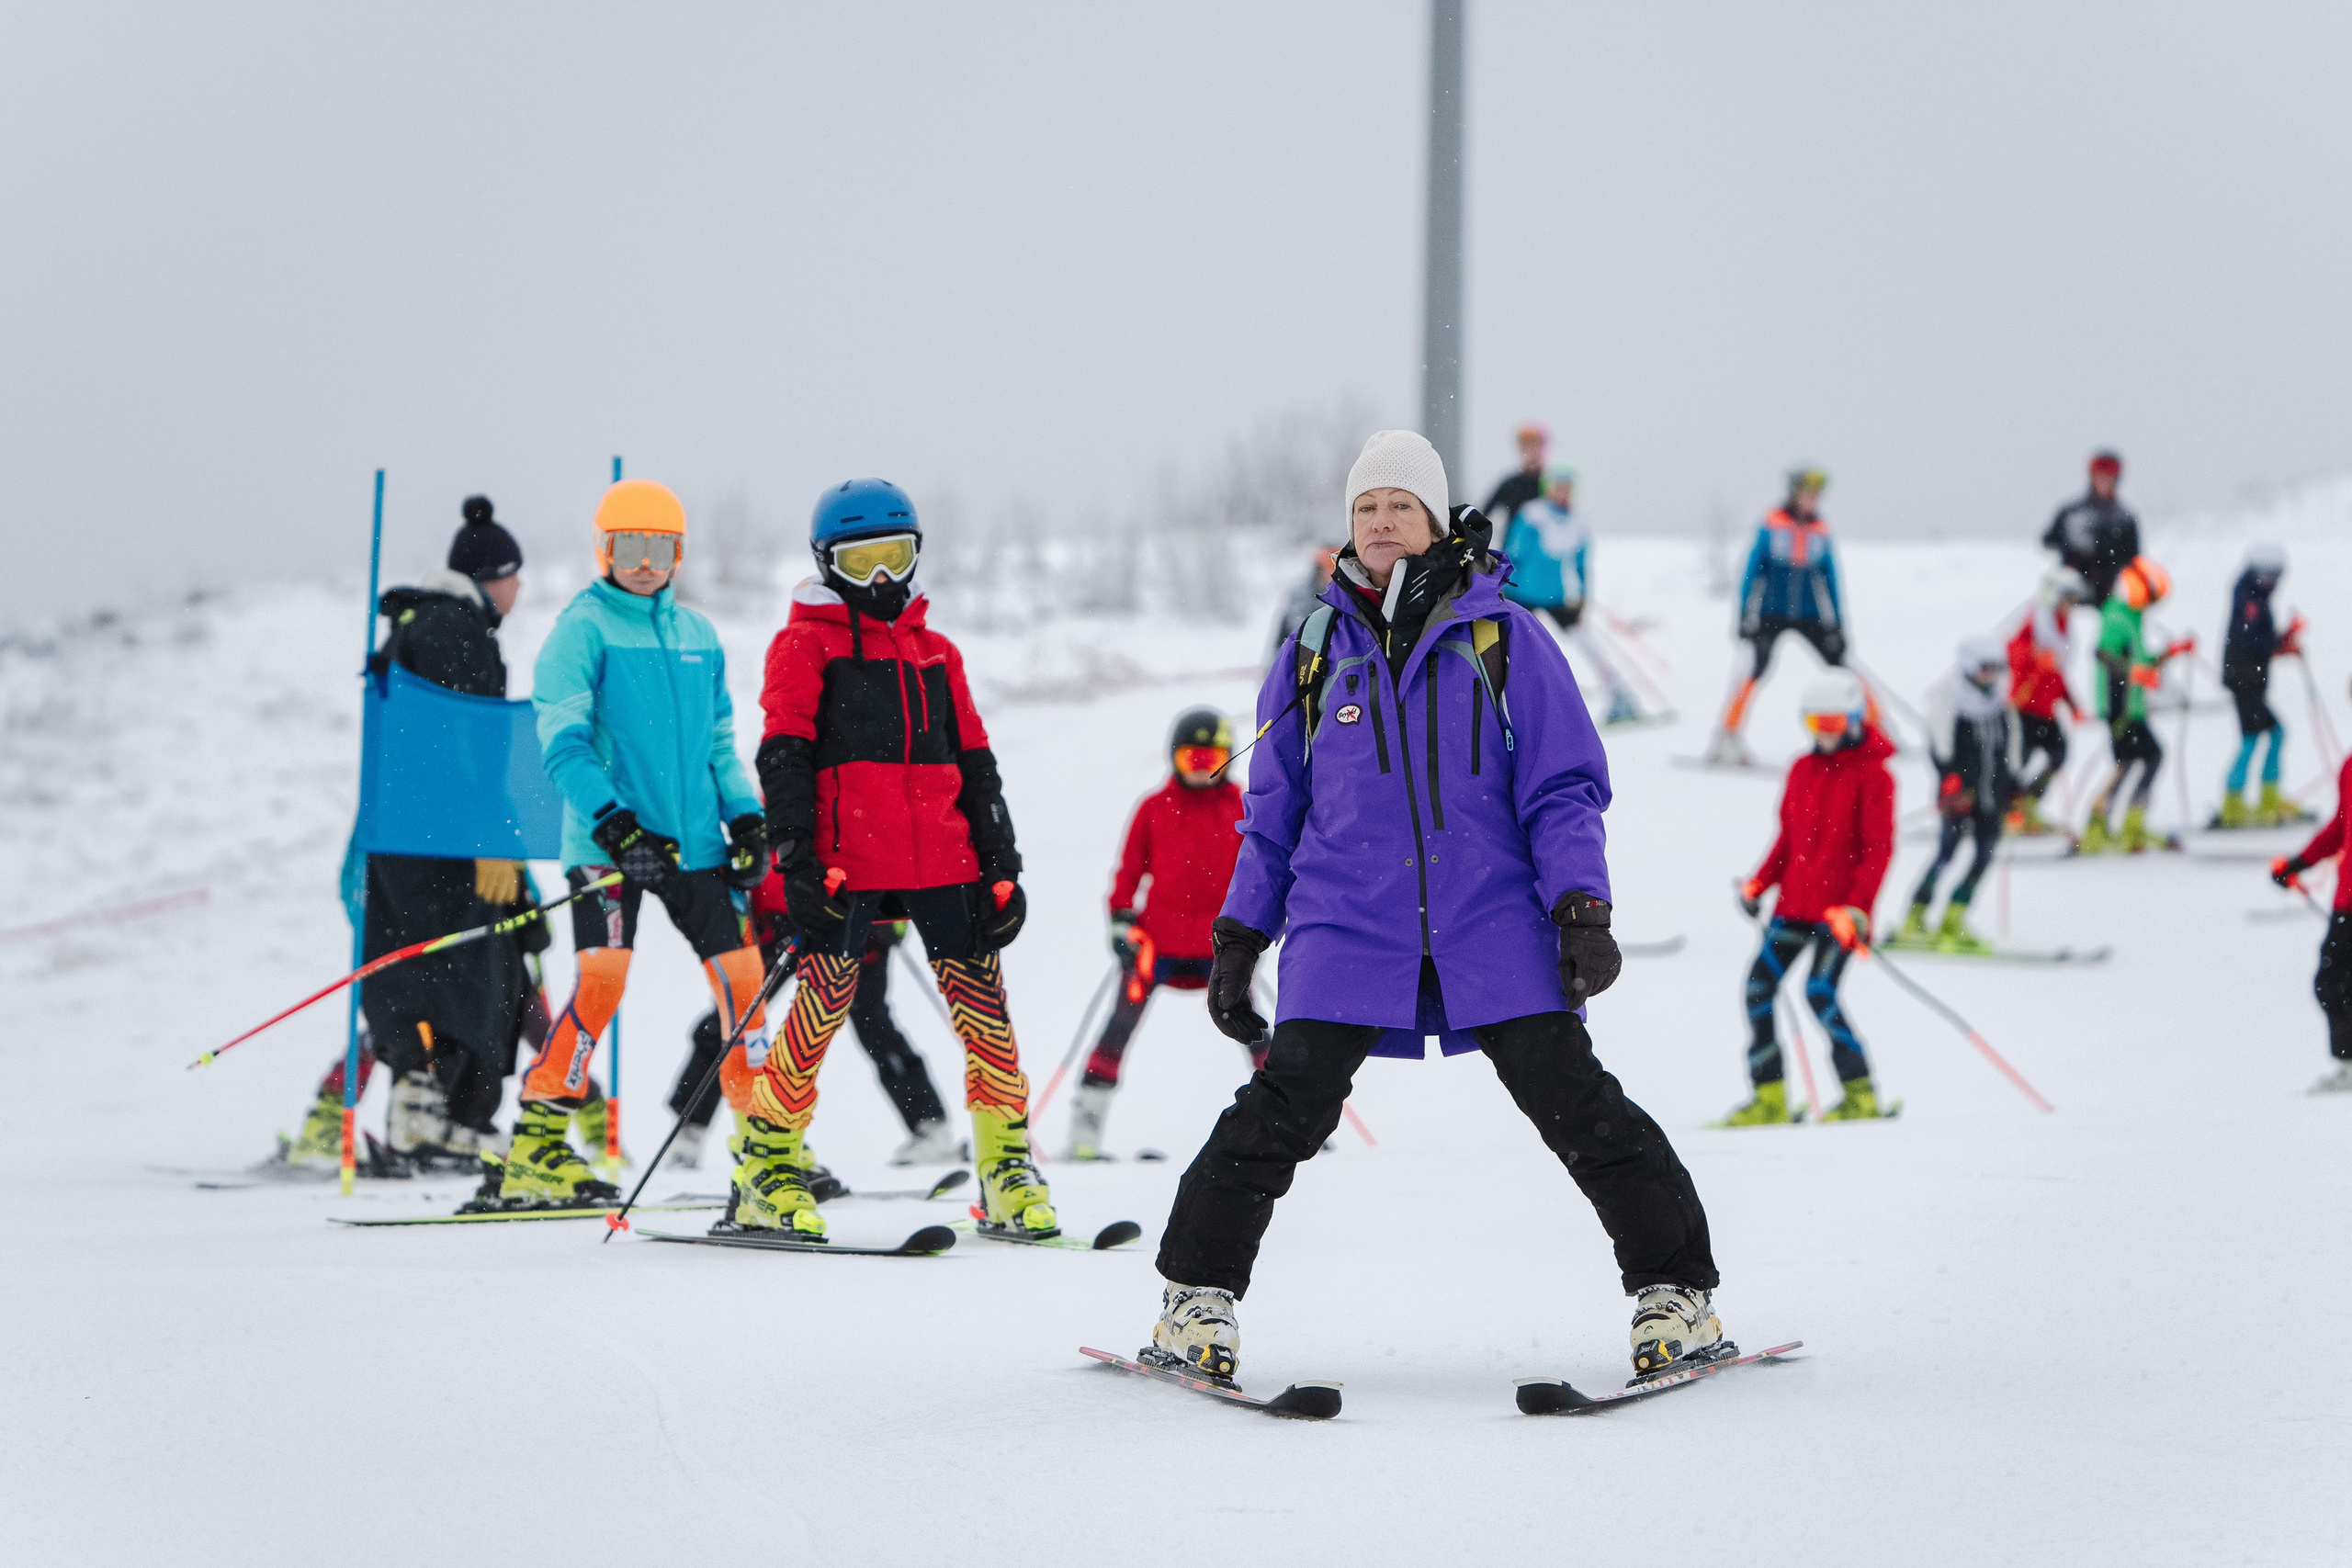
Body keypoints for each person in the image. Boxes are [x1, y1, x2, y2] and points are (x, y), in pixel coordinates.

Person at [1142, 430, 1724, 1388]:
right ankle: (1193, 1304)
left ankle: (1677, 1297)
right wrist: (1242, 933)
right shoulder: (1312, 650)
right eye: (1366, 507)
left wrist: (1580, 906)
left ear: (1436, 518)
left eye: (1399, 505)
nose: (1380, 522)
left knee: (1572, 1101)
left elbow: (1561, 785)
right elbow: (1274, 813)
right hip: (1346, 921)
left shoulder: (1503, 637)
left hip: (1490, 917)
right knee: (1283, 1109)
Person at [746, 478, 1051, 1240]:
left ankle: (1007, 1165)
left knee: (986, 1015)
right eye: (861, 561)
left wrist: (1001, 863)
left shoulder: (938, 653)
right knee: (822, 1008)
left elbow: (977, 765)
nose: (880, 577)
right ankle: (768, 1163)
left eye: (895, 556)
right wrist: (796, 861)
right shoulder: (803, 645)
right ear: (826, 564)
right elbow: (783, 756)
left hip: (946, 858)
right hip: (847, 863)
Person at [481, 479, 774, 1212]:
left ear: (678, 552)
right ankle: (539, 1147)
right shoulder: (582, 628)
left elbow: (720, 744)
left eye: (660, 547)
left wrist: (745, 818)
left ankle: (768, 1145)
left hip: (699, 848)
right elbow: (563, 743)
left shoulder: (698, 636)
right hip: (609, 847)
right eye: (628, 546)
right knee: (602, 983)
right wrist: (615, 825)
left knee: (745, 987)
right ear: (604, 549)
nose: (644, 562)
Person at [275, 496, 547, 1176]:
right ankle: (434, 1118)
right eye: (514, 577)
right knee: (465, 973)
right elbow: (467, 742)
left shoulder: (420, 624)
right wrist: (491, 833)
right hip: (443, 840)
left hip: (403, 837)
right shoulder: (455, 629)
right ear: (493, 575)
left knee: (432, 970)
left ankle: (439, 1115)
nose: (518, 591)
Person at [1064, 707, 1253, 1161]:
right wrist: (1121, 922)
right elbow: (1128, 874)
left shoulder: (1244, 807)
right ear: (1174, 759)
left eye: (1212, 759)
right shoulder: (1154, 808)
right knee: (1117, 1028)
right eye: (1193, 759)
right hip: (1158, 946)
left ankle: (1298, 1119)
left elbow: (1261, 874)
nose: (1203, 770)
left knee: (1255, 1030)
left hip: (1219, 947)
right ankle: (1084, 1131)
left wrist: (1255, 928)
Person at [670, 890, 961, 1172]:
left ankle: (931, 1127)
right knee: (738, 1017)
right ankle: (689, 1130)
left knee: (872, 1021)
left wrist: (892, 918)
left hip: (856, 917)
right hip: (782, 914)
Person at [1724, 671, 1895, 1125]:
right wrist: (1760, 883)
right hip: (1794, 908)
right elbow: (1789, 840)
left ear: (1856, 721)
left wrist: (1857, 909)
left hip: (1839, 915)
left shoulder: (1875, 777)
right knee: (1759, 989)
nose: (1823, 733)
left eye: (1834, 724)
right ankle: (1771, 1097)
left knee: (1819, 993)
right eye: (1815, 723)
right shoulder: (1802, 769)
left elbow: (1878, 851)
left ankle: (1862, 1095)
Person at [1708, 468, 1849, 766]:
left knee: (1841, 668)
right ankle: (1727, 736)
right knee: (1754, 670)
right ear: (1795, 493)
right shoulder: (1772, 524)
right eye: (1807, 494)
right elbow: (1751, 572)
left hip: (1810, 615)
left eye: (1816, 495)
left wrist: (1837, 623)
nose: (1812, 500)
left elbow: (1831, 579)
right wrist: (1746, 614)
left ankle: (1871, 728)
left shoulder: (1820, 529)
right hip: (1772, 612)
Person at [1898, 638, 2021, 953]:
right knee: (1947, 854)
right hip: (1960, 797)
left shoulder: (2000, 705)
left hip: (1991, 795)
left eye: (1997, 668)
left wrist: (2014, 786)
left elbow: (2010, 749)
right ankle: (1915, 916)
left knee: (1983, 856)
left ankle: (1955, 916)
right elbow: (1939, 748)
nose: (1990, 675)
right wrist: (1950, 782)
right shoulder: (1950, 702)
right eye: (1984, 668)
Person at [1500, 465, 1642, 725]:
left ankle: (1620, 697)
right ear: (1548, 489)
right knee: (1514, 649)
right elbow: (1513, 552)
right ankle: (1514, 707)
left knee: (1587, 644)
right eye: (1557, 487)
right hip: (1521, 595)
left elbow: (1581, 565)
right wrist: (1501, 585)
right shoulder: (1533, 515)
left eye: (1567, 487)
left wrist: (1584, 597)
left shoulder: (1578, 523)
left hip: (1556, 597)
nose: (1562, 493)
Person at [2082, 557, 2192, 854]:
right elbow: (2104, 654)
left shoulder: (2132, 617)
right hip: (2120, 708)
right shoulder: (2117, 616)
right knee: (2147, 758)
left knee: (2130, 763)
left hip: (2133, 706)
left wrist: (2172, 652)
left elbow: (2140, 664)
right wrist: (2133, 673)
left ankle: (2113, 823)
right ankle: (2117, 824)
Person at [2271, 730, 2352, 1092]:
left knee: (2335, 981)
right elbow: (2340, 826)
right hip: (2346, 901)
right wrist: (2299, 862)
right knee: (2332, 981)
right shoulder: (2350, 767)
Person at [2219, 542, 2310, 829]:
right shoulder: (2249, 599)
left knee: (2270, 733)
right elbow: (2251, 641)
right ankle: (2234, 803)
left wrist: (2283, 643)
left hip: (2251, 680)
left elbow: (2258, 641)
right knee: (2257, 735)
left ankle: (2267, 800)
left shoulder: (2252, 595)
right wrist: (2282, 642)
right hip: (2244, 680)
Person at [2005, 568, 2091, 835]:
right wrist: (2034, 657)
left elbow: (2057, 673)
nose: (2071, 606)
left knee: (2057, 754)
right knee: (2019, 760)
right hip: (2021, 705)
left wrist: (2072, 704)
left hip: (2044, 708)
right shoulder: (2035, 621)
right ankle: (2007, 811)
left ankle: (2025, 807)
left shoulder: (2062, 628)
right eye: (2068, 598)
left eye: (2075, 600)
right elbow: (2012, 651)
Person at [2042, 451, 2141, 604]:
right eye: (2100, 477)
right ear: (2092, 477)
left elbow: (2134, 559)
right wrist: (2072, 549)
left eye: (2109, 478)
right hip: (2069, 595)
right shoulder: (2071, 512)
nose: (2104, 482)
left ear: (2116, 480)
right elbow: (2049, 540)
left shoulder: (2125, 519)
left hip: (2107, 595)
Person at [1267, 547, 1340, 665]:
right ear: (1320, 570)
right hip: (1296, 660)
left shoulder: (1342, 593)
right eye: (1329, 570)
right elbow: (1299, 631)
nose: (1332, 576)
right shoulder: (1303, 594)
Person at [1481, 421, 1550, 528]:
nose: (1530, 451)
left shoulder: (1552, 485)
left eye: (1534, 446)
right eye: (1525, 447)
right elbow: (1482, 515)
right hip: (1513, 543)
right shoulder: (1510, 484)